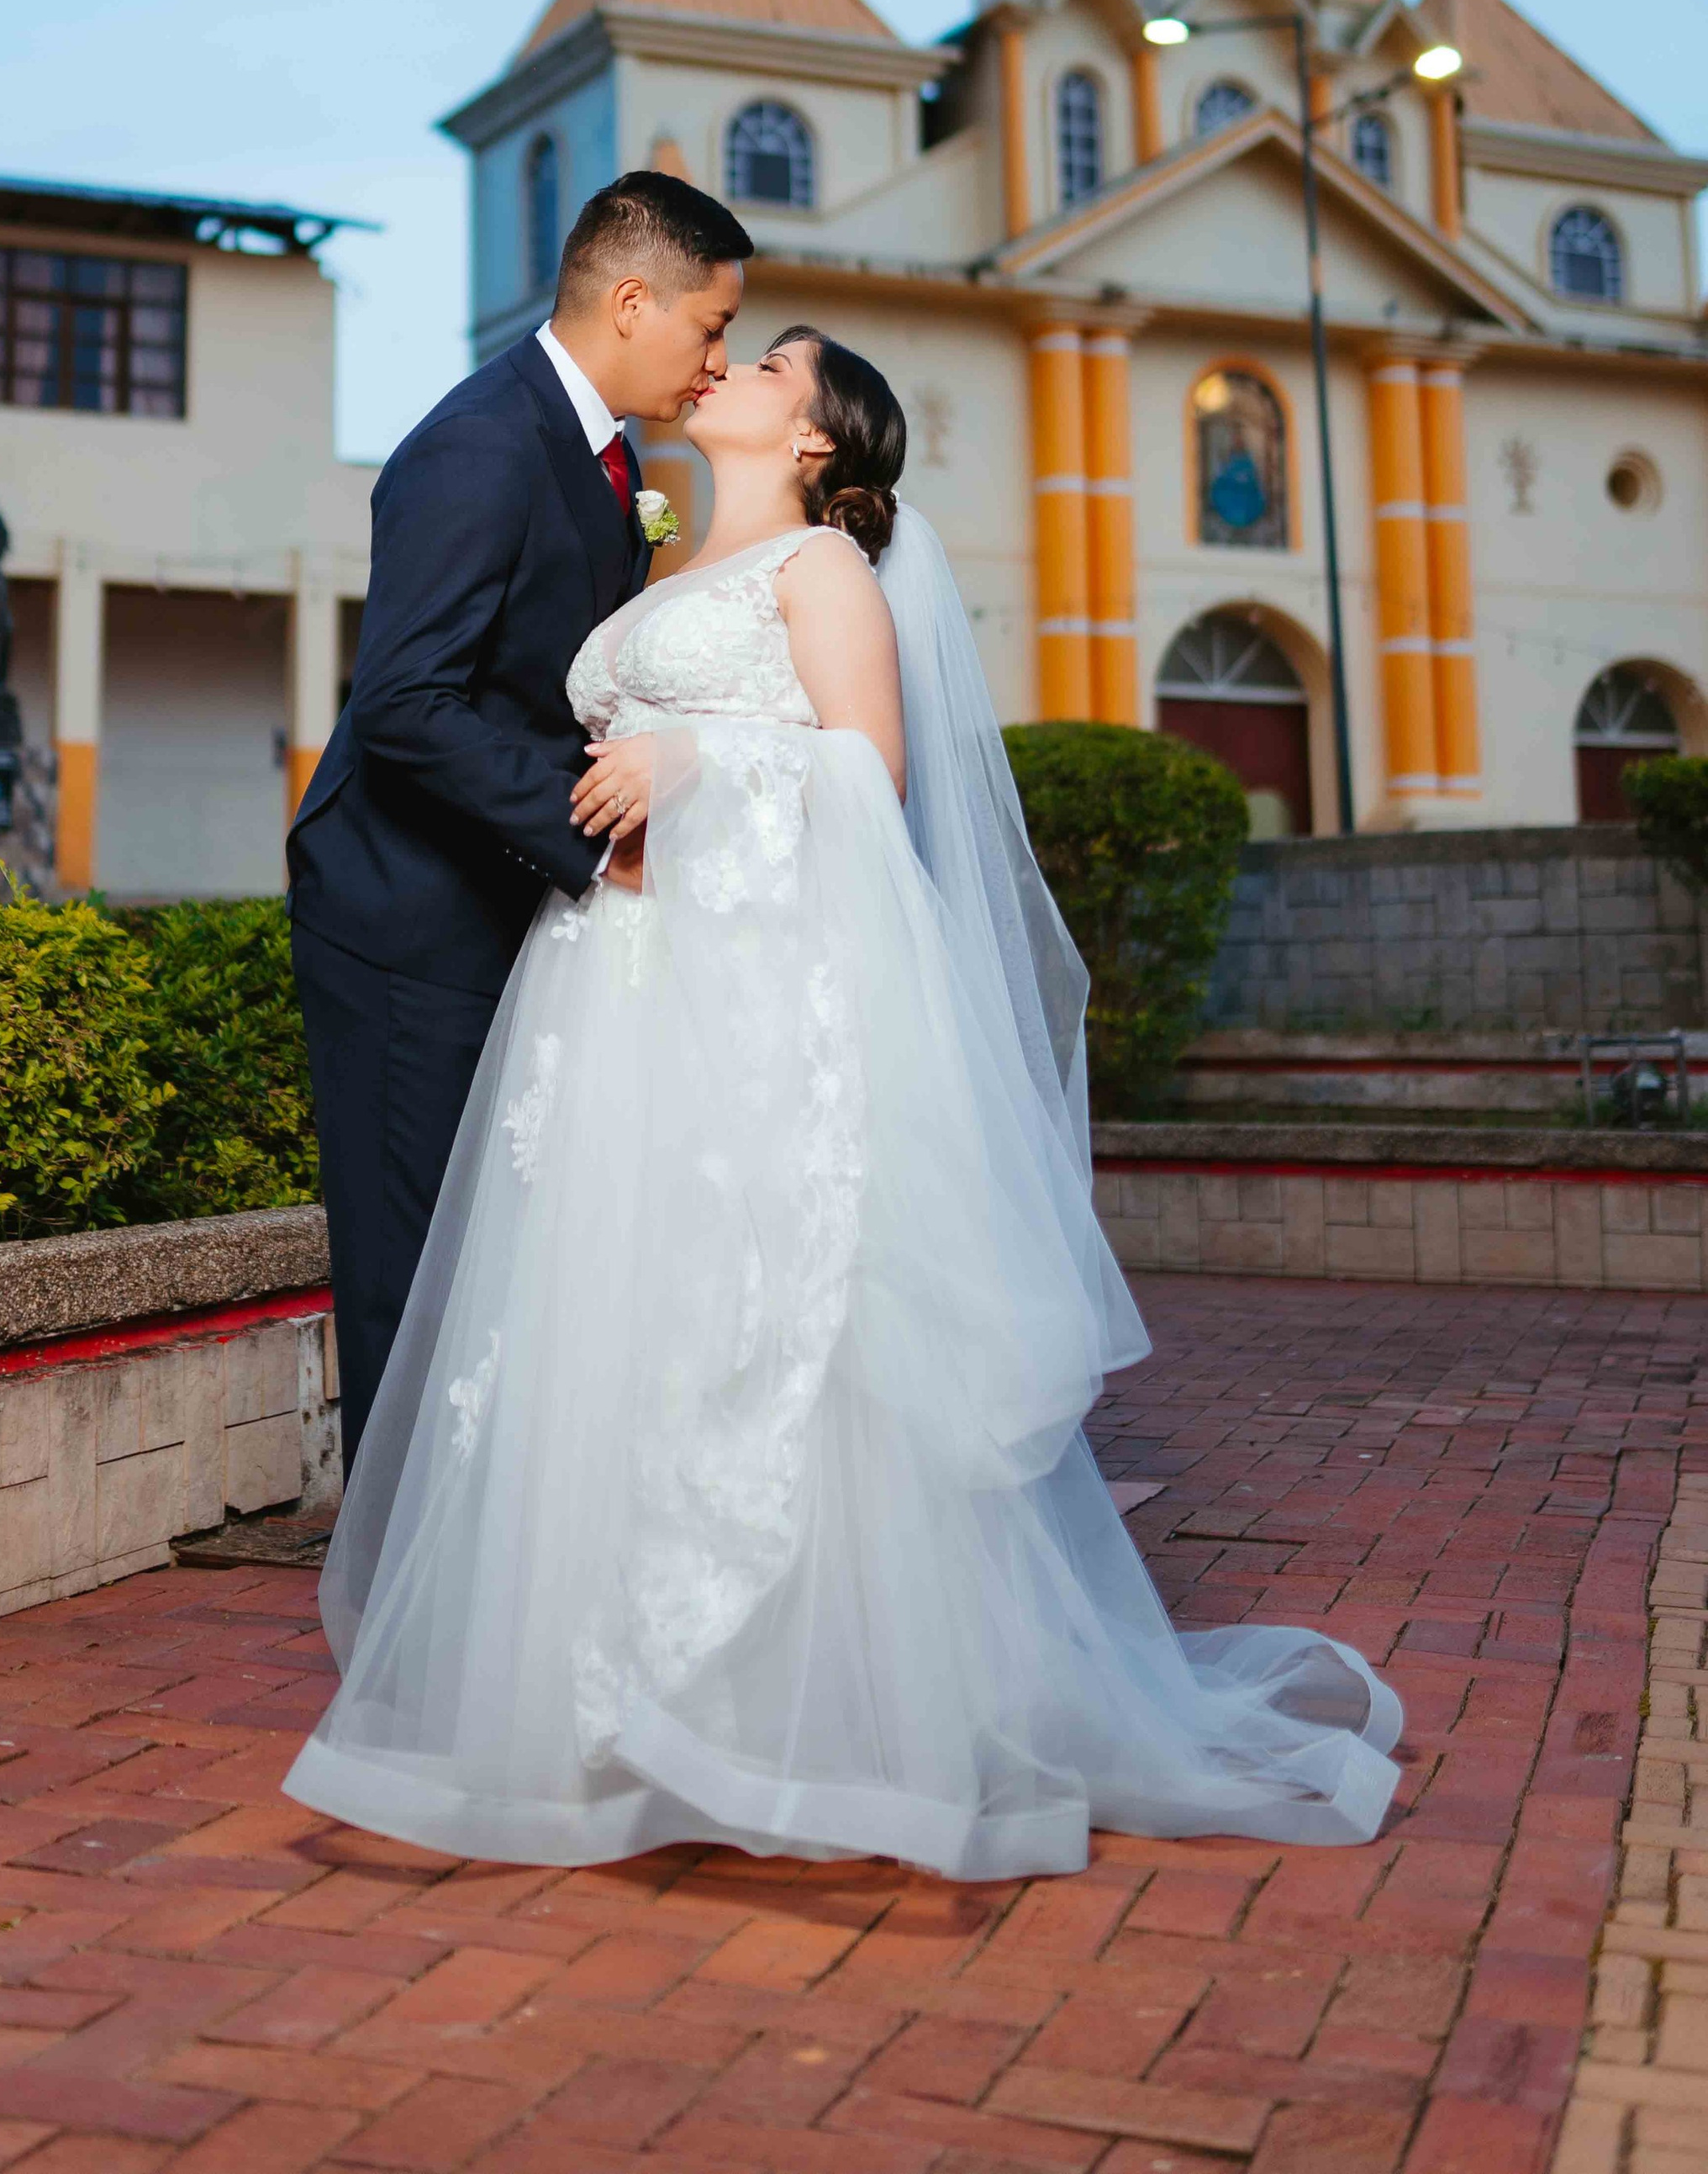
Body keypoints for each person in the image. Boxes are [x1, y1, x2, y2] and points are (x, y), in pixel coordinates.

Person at [286, 324, 1404, 1876]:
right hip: (613, 979)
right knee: (620, 1306)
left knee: (764, 1312)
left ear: (813, 441)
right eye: (734, 349)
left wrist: (694, 766)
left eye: (769, 367)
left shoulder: (822, 573)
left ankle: (785, 1705)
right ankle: (595, 1693)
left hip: (743, 984)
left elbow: (869, 772)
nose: (731, 371)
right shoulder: (647, 568)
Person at [286, 171, 753, 1473]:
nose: (715, 362)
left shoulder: (610, 456)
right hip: (405, 913)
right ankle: (393, 1583)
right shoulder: (482, 442)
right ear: (629, 299)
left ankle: (475, 1541)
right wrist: (596, 832)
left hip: (504, 900)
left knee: (498, 1248)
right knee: (411, 1256)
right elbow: (406, 702)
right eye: (708, 329)